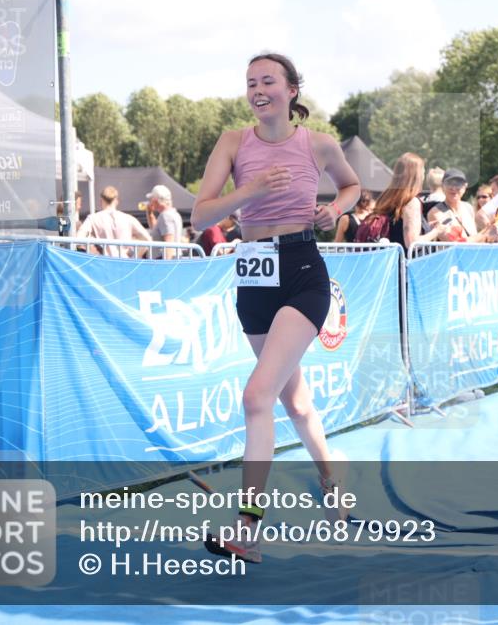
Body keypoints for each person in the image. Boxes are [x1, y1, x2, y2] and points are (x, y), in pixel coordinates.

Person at [190, 52, 361, 563]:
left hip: (303, 271)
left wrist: (336, 209)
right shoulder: (232, 143)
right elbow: (200, 215)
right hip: (254, 275)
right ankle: (333, 480)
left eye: (268, 81)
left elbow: (352, 185)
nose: (257, 90)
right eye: (250, 83)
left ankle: (249, 528)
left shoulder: (319, 144)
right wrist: (253, 190)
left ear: (291, 91)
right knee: (295, 403)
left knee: (256, 396)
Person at [369, 152, 445, 252]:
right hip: (408, 260)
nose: (423, 177)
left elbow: (397, 228)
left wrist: (425, 226)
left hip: (390, 258)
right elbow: (412, 242)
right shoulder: (411, 202)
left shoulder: (386, 198)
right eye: (423, 172)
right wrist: (436, 231)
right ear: (416, 176)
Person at [426, 168, 498, 243]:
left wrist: (490, 229)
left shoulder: (468, 207)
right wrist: (486, 233)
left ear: (465, 187)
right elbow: (455, 243)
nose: (454, 188)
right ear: (442, 186)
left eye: (458, 184)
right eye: (449, 183)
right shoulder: (435, 213)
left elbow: (475, 238)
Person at [75, 185, 152, 258]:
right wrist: (135, 257)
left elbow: (78, 239)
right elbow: (148, 240)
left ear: (101, 200)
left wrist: (92, 251)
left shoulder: (93, 219)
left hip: (103, 262)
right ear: (117, 201)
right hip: (124, 261)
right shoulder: (128, 219)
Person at [145, 184, 185, 260]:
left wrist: (166, 265)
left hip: (165, 259)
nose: (150, 202)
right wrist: (149, 213)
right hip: (173, 258)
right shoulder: (174, 214)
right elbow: (156, 229)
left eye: (151, 199)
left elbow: (169, 243)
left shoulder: (165, 216)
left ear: (155, 200)